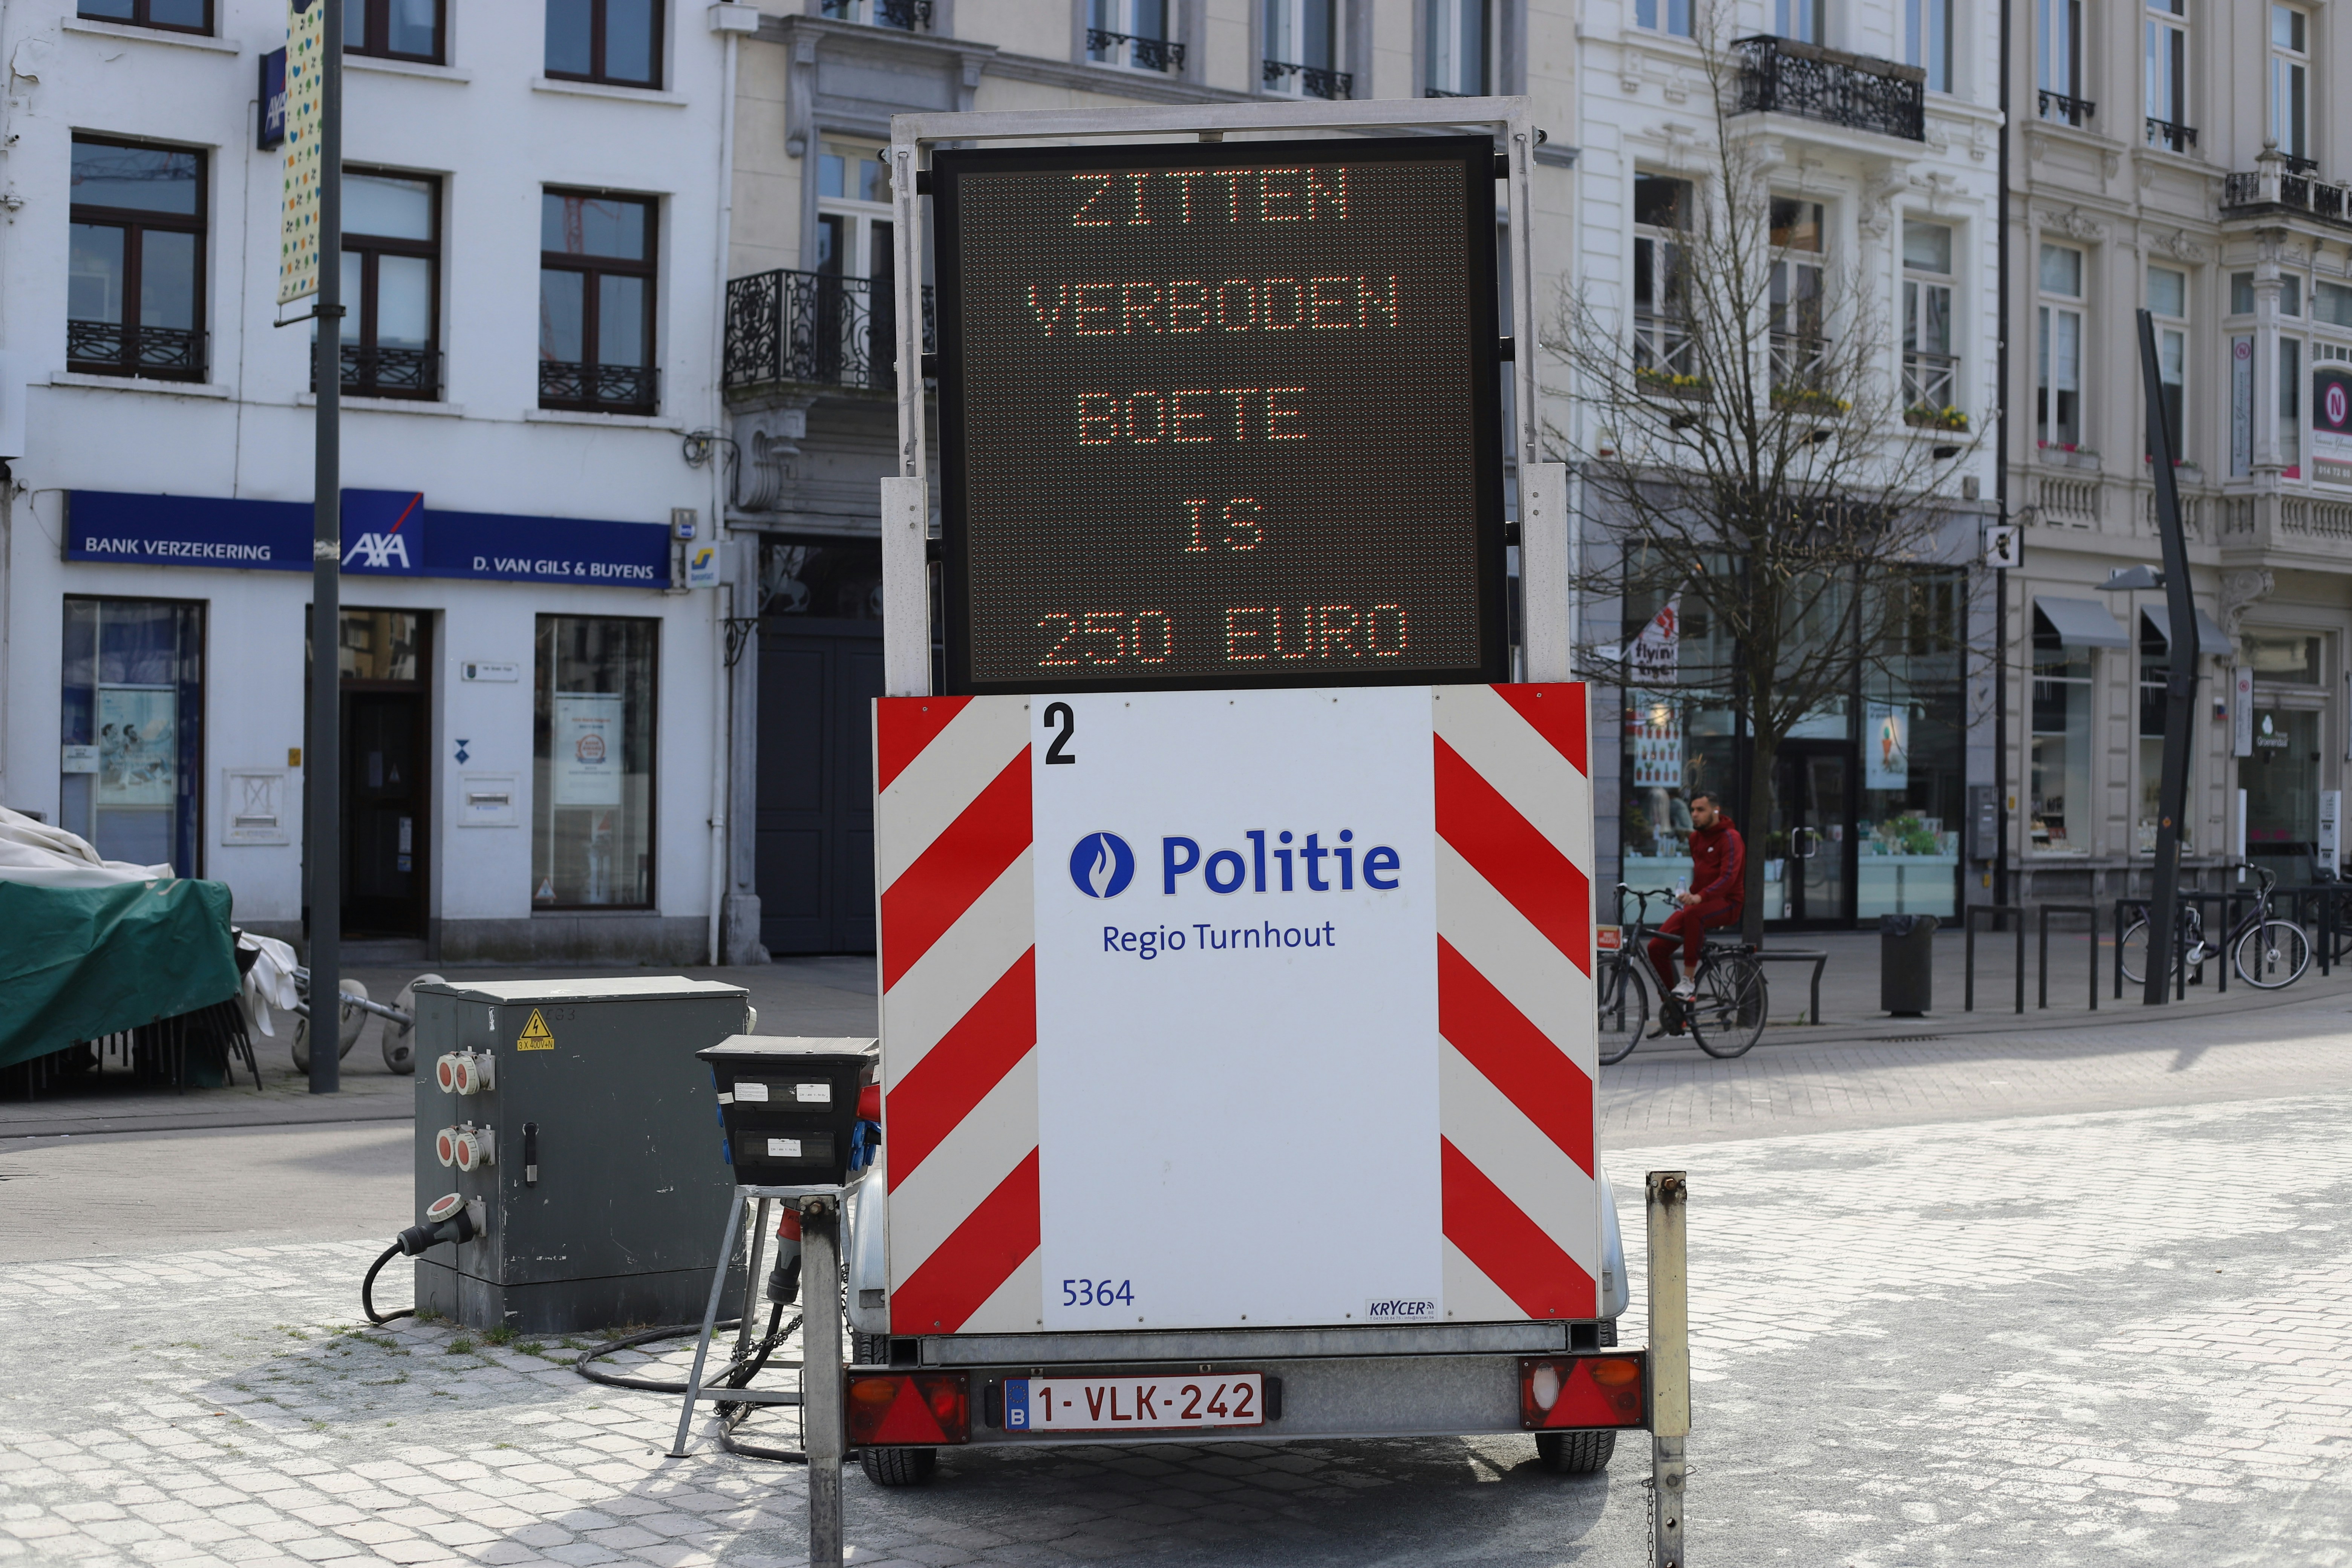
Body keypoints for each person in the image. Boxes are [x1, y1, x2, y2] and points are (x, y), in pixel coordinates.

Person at [1647, 792, 1745, 1034]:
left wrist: (1701, 897)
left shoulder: (1731, 838)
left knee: (1694, 915)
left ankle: (1688, 981)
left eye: (1700, 810)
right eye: (1693, 810)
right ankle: (1673, 1010)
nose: (1694, 815)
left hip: (1728, 903)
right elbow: (1701, 875)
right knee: (1656, 947)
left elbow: (1729, 877)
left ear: (1715, 811)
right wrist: (1689, 896)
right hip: (1700, 902)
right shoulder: (1695, 839)